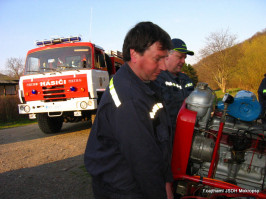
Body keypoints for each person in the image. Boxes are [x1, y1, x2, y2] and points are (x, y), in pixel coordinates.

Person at [84, 21, 174, 198]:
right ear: (134, 54)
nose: (163, 67)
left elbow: (159, 136)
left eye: (165, 58)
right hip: (125, 190)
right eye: (157, 58)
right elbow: (144, 163)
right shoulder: (129, 100)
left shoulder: (145, 82)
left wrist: (167, 180)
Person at [154, 38, 194, 135]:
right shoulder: (157, 79)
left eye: (185, 58)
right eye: (180, 57)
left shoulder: (186, 79)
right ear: (167, 54)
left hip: (187, 133)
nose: (183, 61)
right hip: (167, 137)